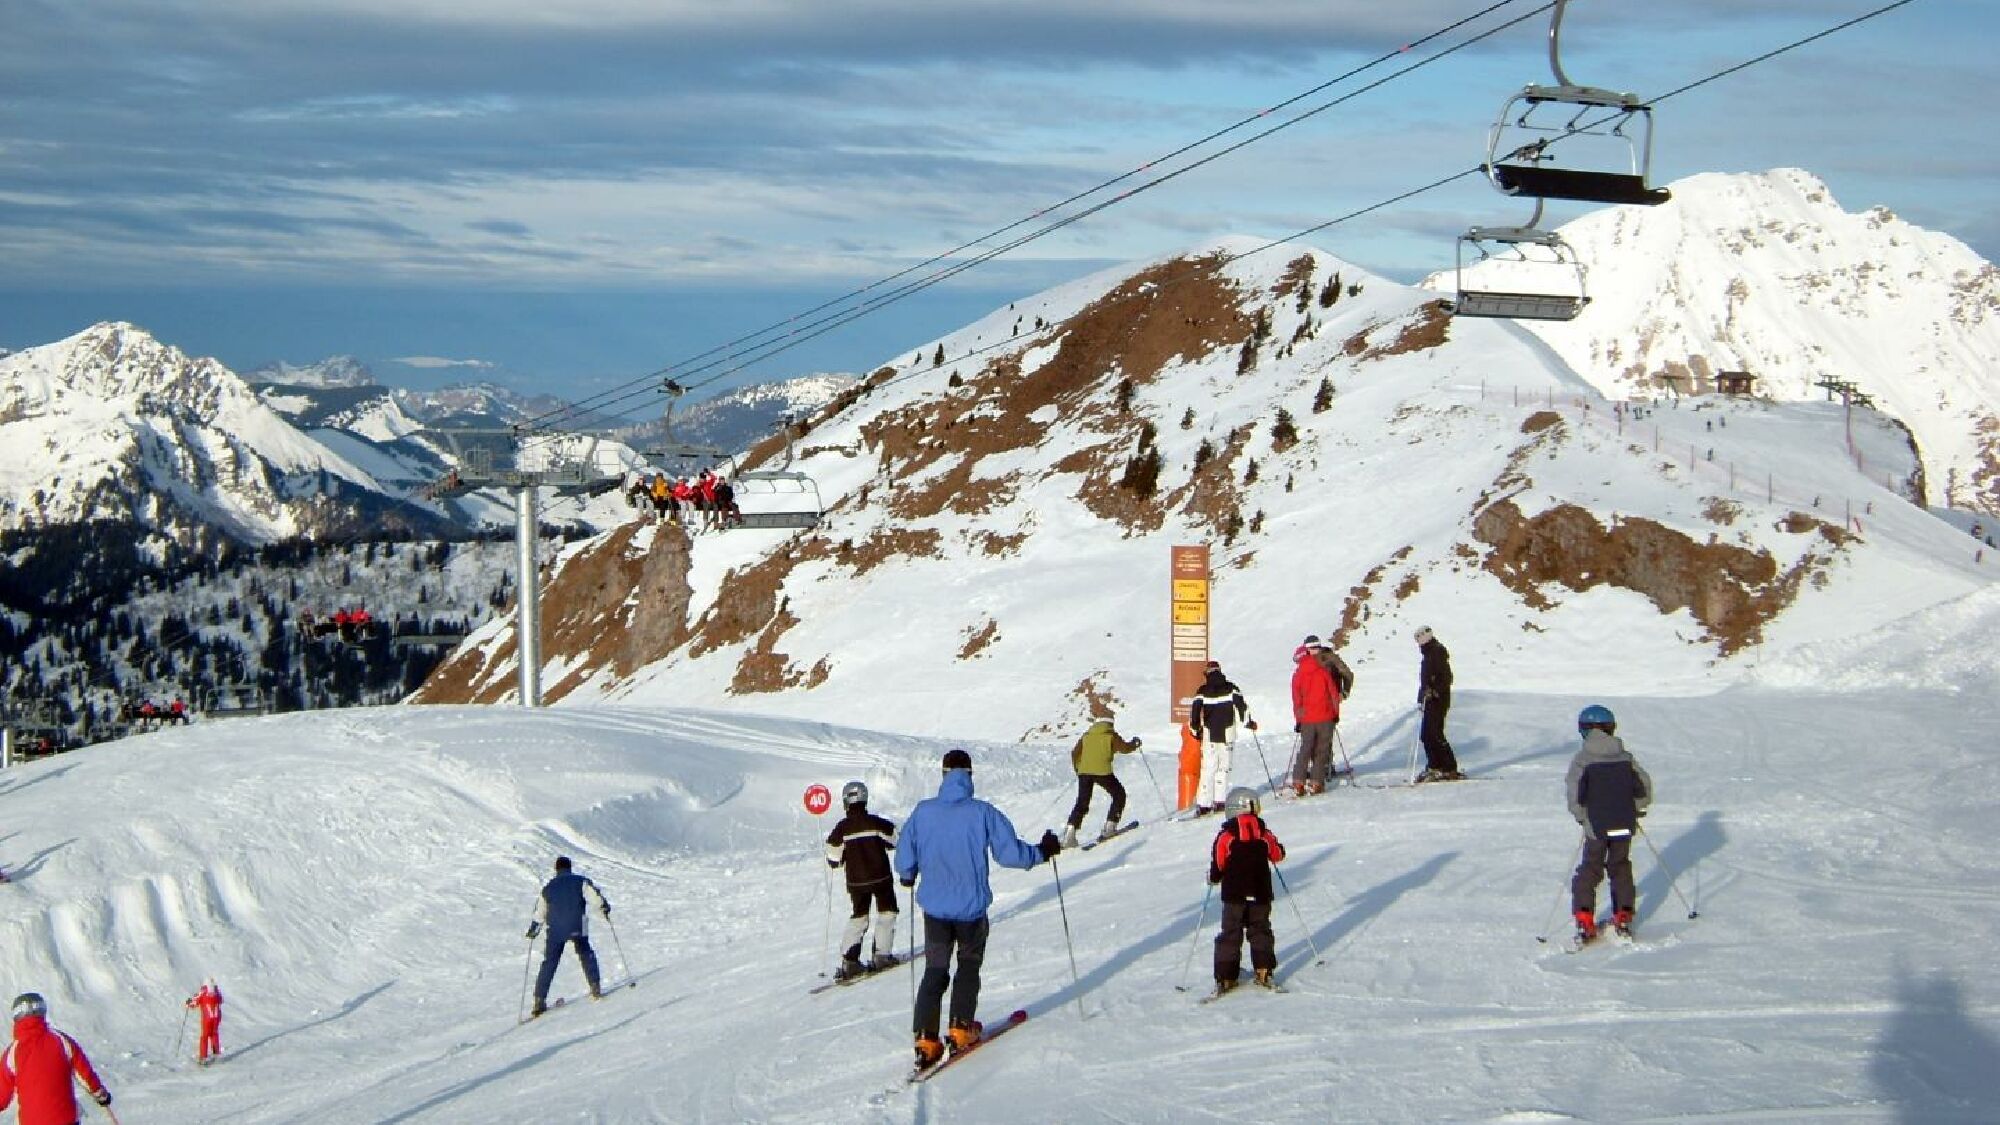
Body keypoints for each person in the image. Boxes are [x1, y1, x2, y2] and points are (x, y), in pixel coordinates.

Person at [893, 748, 1060, 1068]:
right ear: (969, 775)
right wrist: (1042, 851)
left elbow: (905, 855)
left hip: (935, 911)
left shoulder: (923, 812)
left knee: (935, 970)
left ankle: (926, 1041)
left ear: (943, 774)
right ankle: (959, 1029)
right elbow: (1009, 854)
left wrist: (907, 875)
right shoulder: (983, 812)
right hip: (970, 910)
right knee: (968, 967)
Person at [1566, 705, 1653, 941]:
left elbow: (1575, 795)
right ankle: (1623, 913)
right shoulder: (1624, 757)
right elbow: (1644, 789)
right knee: (1620, 865)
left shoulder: (1583, 760)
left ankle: (1584, 917)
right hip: (1624, 822)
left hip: (1597, 825)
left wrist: (1583, 818)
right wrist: (1633, 808)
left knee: (1590, 868)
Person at [1208, 787, 1287, 994]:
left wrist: (1214, 877)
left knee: (1230, 933)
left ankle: (1226, 977)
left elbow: (1219, 860)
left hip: (1234, 895)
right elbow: (1277, 854)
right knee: (1260, 929)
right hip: (1260, 893)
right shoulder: (1263, 833)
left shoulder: (1227, 835)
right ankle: (1263, 970)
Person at [825, 781, 900, 979]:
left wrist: (837, 860)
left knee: (859, 916)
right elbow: (895, 839)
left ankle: (850, 961)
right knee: (887, 912)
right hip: (881, 878)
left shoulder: (842, 828)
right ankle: (882, 955)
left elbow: (833, 856)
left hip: (856, 883)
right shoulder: (876, 822)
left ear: (846, 802)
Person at [0, 993, 112, 1125]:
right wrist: (100, 1094)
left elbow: (2, 1094)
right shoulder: (61, 1040)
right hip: (65, 1119)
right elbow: (84, 1073)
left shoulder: (12, 1053)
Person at [525, 856, 611, 1017]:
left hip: (555, 928)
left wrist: (533, 930)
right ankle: (595, 987)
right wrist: (604, 908)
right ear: (570, 867)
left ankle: (539, 1000)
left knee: (549, 961)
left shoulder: (548, 888)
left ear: (556, 869)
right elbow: (595, 897)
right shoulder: (580, 880)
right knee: (586, 952)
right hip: (579, 923)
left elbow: (539, 912)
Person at [1062, 718, 1140, 846]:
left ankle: (1069, 835)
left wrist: (1079, 769)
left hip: (1084, 772)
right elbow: (1125, 748)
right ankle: (1110, 827)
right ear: (1109, 723)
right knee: (1119, 794)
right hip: (1102, 772)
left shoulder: (1087, 735)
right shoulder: (1110, 735)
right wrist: (1135, 743)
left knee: (1082, 802)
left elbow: (1075, 753)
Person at [1190, 661, 1253, 814]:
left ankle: (1204, 805)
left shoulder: (1202, 691)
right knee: (1223, 768)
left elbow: (1195, 713)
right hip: (1228, 733)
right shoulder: (1231, 688)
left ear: (1207, 673)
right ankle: (1220, 802)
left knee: (1208, 768)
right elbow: (1242, 707)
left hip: (1209, 735)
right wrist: (1248, 722)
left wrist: (1195, 730)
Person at [1289, 637, 1339, 795]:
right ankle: (1317, 782)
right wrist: (1335, 714)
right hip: (1325, 716)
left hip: (1307, 720)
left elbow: (1297, 701)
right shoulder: (1323, 671)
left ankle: (1298, 782)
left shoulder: (1297, 676)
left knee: (1305, 749)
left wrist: (1299, 720)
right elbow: (1333, 694)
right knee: (1322, 751)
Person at [1414, 626, 1461, 781]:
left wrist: (1434, 691)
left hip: (1438, 699)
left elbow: (1446, 677)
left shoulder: (1436, 652)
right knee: (1427, 734)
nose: (1417, 641)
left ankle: (1448, 767)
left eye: (1418, 637)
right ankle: (1435, 765)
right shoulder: (1428, 654)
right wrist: (1422, 697)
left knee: (1434, 733)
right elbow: (1426, 680)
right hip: (1430, 700)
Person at [186, 978, 223, 1066]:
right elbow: (221, 1000)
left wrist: (188, 1003)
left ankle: (203, 1057)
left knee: (205, 1037)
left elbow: (194, 1003)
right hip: (216, 1018)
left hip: (207, 1019)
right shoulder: (217, 993)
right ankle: (216, 1054)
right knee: (214, 1034)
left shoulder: (203, 993)